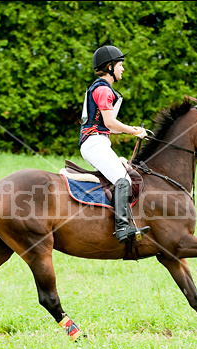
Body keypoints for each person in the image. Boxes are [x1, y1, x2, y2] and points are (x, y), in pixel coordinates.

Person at [79, 45, 150, 243]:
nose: (123, 69)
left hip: (97, 141)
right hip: (94, 143)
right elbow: (110, 123)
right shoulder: (103, 90)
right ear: (109, 66)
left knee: (119, 179)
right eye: (120, 65)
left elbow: (108, 126)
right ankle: (122, 228)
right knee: (123, 180)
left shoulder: (102, 88)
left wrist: (133, 129)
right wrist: (133, 130)